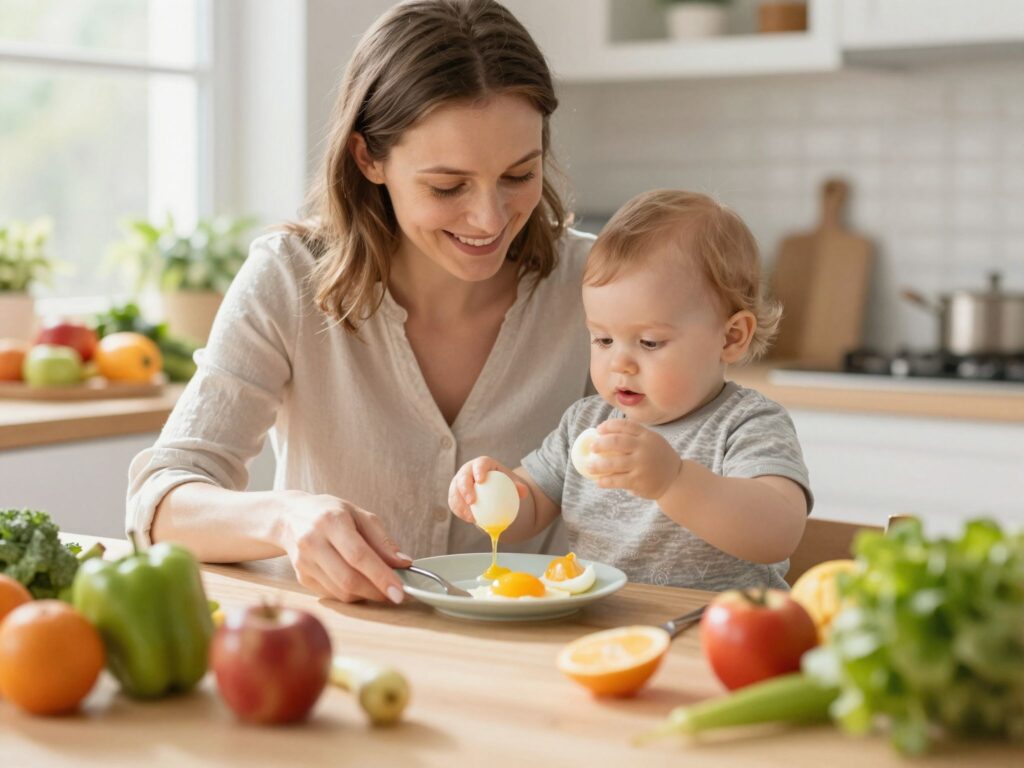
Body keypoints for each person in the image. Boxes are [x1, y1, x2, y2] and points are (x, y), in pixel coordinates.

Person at [126, 0, 595, 604]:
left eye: (519, 175)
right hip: (337, 655)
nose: (489, 218)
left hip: (535, 660)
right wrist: (284, 518)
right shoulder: (289, 279)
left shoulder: (593, 284)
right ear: (368, 157)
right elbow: (158, 503)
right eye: (447, 186)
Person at [449, 190, 813, 590]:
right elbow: (531, 507)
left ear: (730, 337)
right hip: (608, 631)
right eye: (603, 340)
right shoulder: (585, 423)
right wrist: (492, 494)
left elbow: (777, 532)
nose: (619, 363)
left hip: (719, 634)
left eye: (650, 343)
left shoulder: (747, 424)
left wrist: (673, 481)